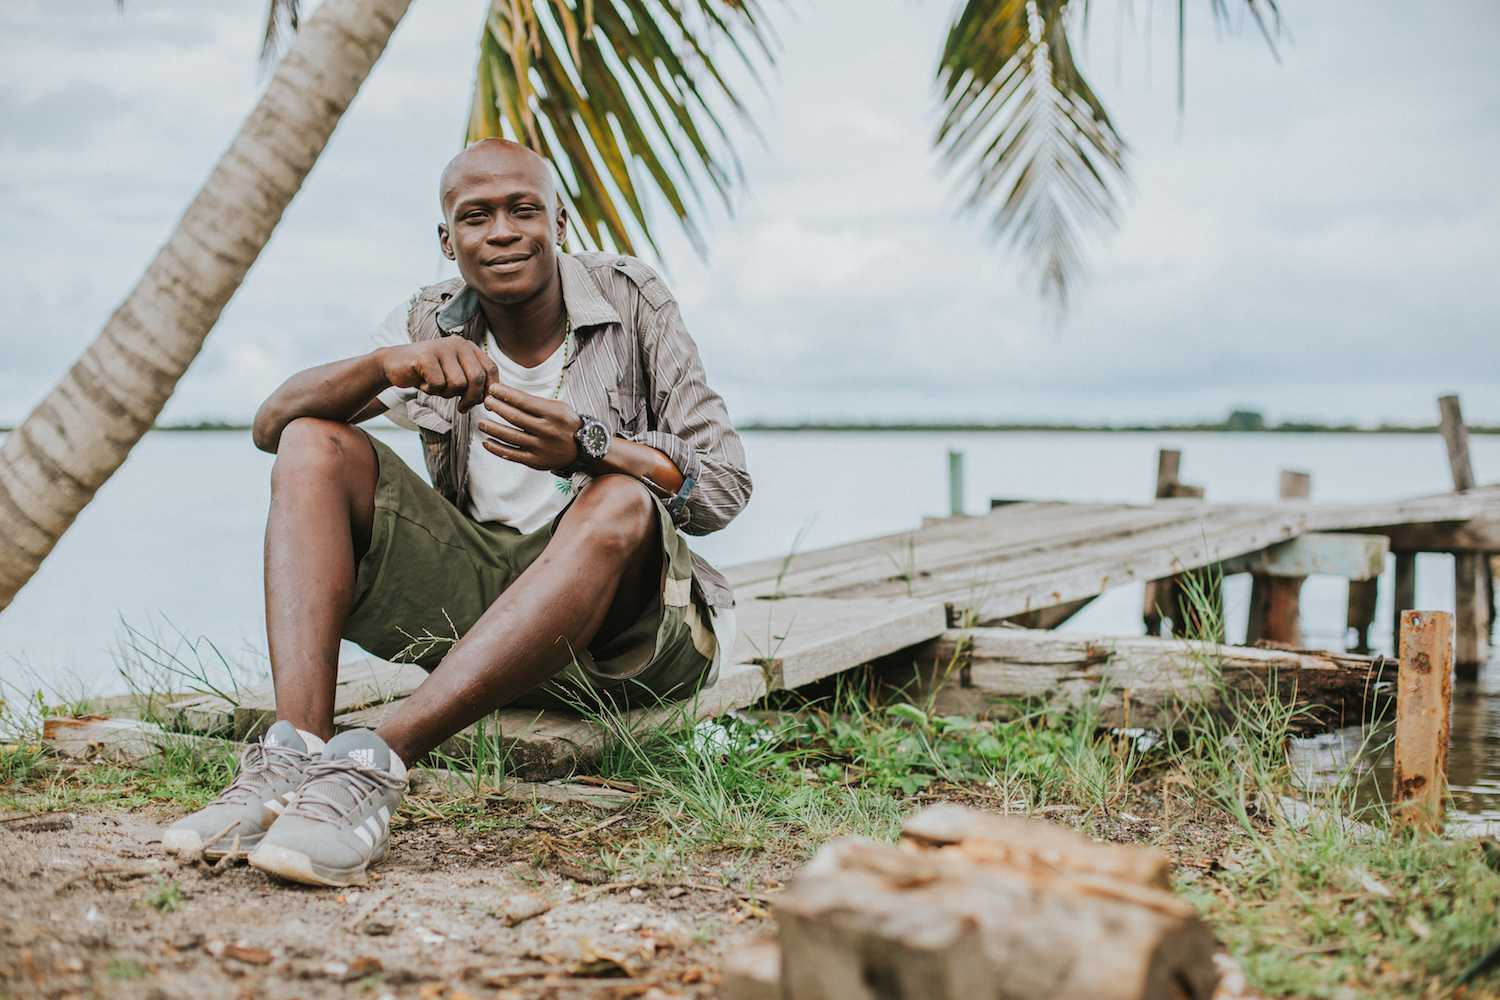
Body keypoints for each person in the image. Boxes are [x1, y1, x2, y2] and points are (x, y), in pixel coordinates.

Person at [161, 139, 750, 887]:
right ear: (449, 239)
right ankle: (294, 755)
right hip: (494, 628)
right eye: (476, 216)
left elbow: (725, 487)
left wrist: (593, 447)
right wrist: (385, 366)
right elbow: (272, 425)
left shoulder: (632, 298)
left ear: (559, 222)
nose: (501, 231)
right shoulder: (429, 319)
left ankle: (373, 763)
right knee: (315, 442)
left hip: (629, 645)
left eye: (522, 210)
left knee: (621, 495)